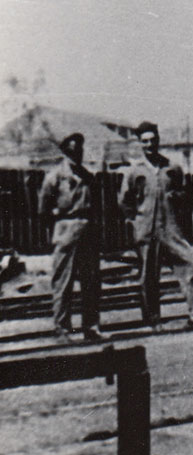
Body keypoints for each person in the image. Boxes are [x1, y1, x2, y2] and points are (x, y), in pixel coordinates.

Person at [118, 121, 193, 333]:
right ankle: (152, 321)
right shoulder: (134, 172)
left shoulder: (172, 168)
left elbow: (184, 194)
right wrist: (135, 221)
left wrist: (176, 198)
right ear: (139, 144)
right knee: (148, 276)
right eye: (145, 141)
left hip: (170, 228)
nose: (149, 145)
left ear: (159, 140)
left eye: (153, 140)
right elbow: (125, 201)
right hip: (146, 229)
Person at [38, 133, 104, 343]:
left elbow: (96, 206)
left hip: (87, 230)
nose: (78, 155)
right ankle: (62, 329)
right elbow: (43, 209)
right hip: (65, 230)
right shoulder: (55, 176)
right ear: (66, 152)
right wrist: (58, 225)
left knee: (91, 281)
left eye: (80, 151)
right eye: (73, 151)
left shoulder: (89, 176)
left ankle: (91, 327)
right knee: (63, 282)